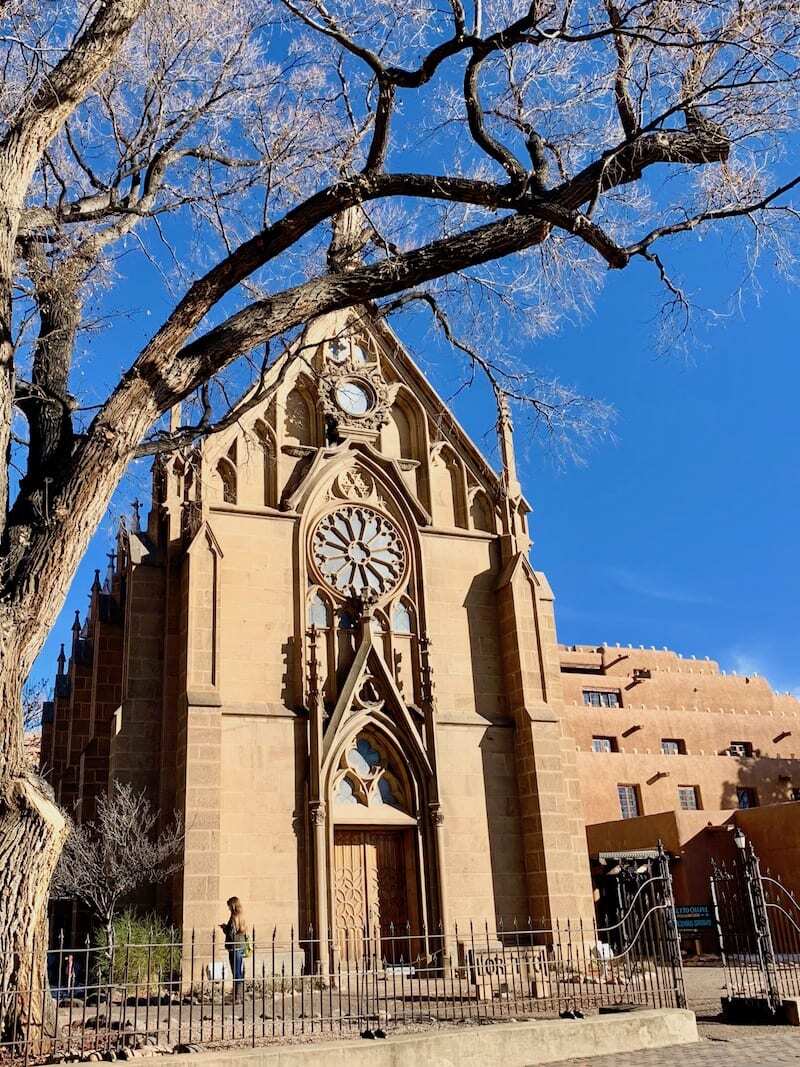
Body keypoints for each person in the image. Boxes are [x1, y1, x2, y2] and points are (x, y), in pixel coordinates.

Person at [222, 896, 248, 1001]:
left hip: (234, 948)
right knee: (240, 971)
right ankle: (240, 995)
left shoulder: (233, 918)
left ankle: (237, 996)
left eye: (229, 906)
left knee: (236, 972)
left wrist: (225, 929)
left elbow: (232, 935)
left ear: (232, 906)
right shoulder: (241, 916)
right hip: (240, 947)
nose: (228, 908)